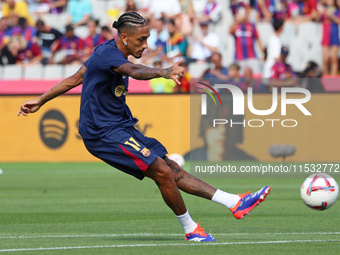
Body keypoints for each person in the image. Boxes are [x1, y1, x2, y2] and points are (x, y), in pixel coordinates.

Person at [17, 12, 270, 242]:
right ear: (124, 37)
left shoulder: (108, 52)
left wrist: (40, 99)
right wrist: (164, 71)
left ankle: (235, 202)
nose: (146, 44)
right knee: (161, 170)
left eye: (147, 38)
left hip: (121, 127)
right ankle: (191, 230)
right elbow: (132, 71)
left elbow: (76, 78)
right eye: (141, 39)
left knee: (170, 168)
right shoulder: (107, 55)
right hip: (102, 133)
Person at [229, 7, 264, 74]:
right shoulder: (236, 25)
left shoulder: (252, 25)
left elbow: (258, 39)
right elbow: (230, 32)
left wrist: (262, 54)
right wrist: (237, 21)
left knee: (256, 75)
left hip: (252, 56)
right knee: (241, 78)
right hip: (239, 57)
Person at [319, 0, 340, 75]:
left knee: (334, 59)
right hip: (325, 35)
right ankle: (325, 77)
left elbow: (338, 21)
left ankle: (333, 78)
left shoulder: (338, 10)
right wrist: (321, 13)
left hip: (334, 34)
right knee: (325, 59)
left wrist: (331, 15)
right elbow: (318, 20)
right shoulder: (323, 9)